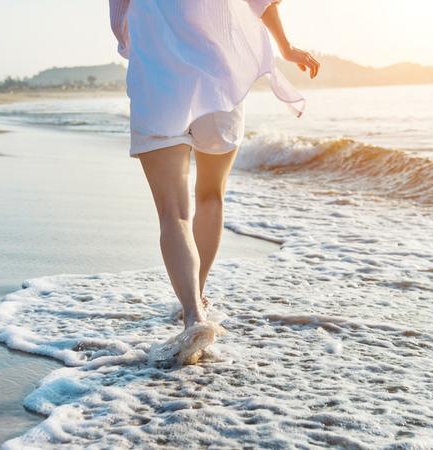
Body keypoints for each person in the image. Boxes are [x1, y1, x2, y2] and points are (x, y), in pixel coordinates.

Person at [109, 0, 320, 365]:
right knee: (210, 196)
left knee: (173, 213)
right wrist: (285, 47)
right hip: (217, 82)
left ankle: (193, 314)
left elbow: (121, 25)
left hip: (159, 85)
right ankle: (199, 295)